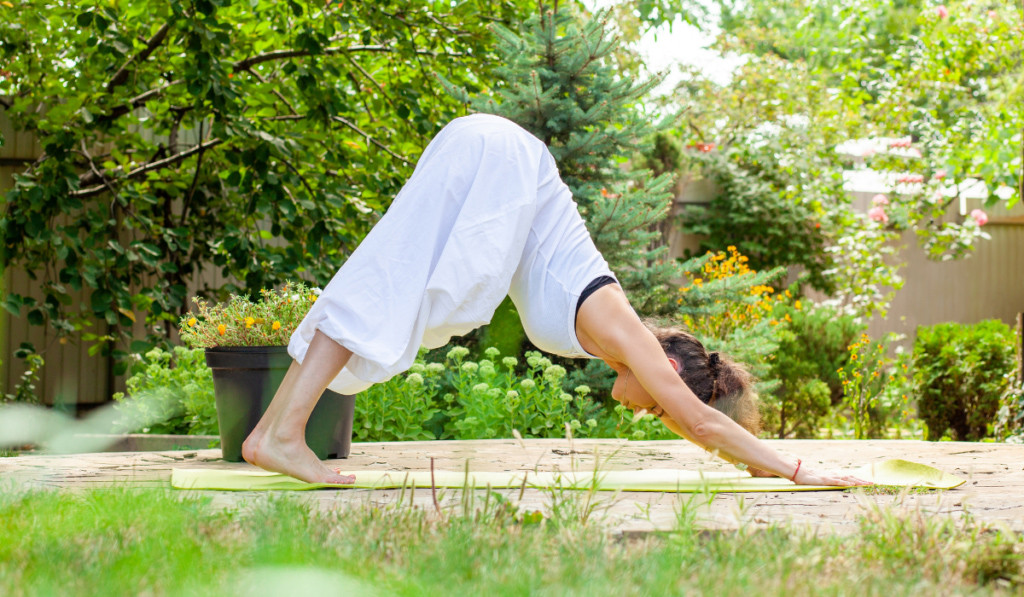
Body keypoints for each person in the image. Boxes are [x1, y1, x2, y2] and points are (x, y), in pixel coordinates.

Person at [242, 114, 869, 488]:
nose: (650, 415)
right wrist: (790, 469)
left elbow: (692, 423)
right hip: (504, 160)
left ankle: (273, 433)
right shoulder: (632, 337)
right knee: (393, 286)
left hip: (491, 152)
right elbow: (701, 420)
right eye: (660, 409)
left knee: (393, 284)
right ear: (669, 372)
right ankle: (284, 434)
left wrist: (750, 461)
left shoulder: (615, 339)